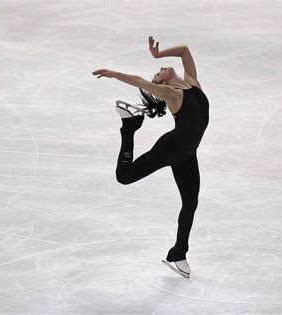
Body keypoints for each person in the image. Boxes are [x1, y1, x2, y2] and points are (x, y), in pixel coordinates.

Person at [92, 36, 209, 278]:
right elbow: (141, 81)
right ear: (162, 83)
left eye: (159, 70)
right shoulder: (173, 94)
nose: (159, 71)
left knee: (191, 203)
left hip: (187, 154)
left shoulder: (193, 83)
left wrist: (158, 55)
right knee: (124, 177)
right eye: (158, 73)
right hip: (171, 147)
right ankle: (129, 127)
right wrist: (116, 74)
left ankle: (178, 254)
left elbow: (185, 50)